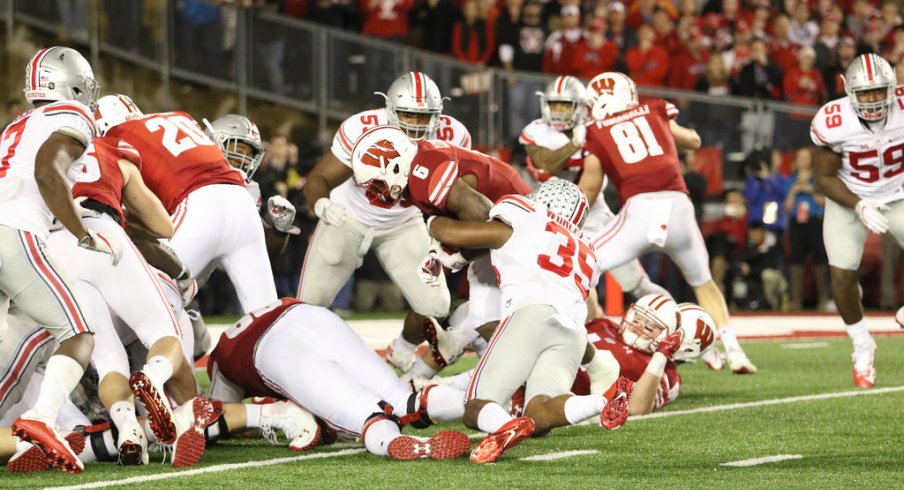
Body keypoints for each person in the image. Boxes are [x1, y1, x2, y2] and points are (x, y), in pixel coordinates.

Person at [426, 179, 632, 463]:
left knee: (476, 407)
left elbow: (457, 233)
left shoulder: (526, 214)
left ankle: (504, 426)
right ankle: (603, 401)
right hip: (572, 332)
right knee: (540, 411)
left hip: (530, 314)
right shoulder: (588, 249)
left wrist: (430, 220)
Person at [582, 71, 757, 374]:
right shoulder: (655, 109)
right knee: (703, 283)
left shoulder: (595, 130)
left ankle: (573, 344)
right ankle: (734, 350)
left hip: (641, 208)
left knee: (577, 264)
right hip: (678, 206)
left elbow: (589, 188)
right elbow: (694, 140)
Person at [0, 46, 121, 474]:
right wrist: (83, 233)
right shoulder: (73, 115)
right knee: (78, 334)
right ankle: (41, 418)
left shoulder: (17, 124)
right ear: (68, 83)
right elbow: (48, 172)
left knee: (10, 346)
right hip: (14, 232)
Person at [301, 72, 469, 372]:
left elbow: (458, 189)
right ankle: (298, 366)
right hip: (348, 216)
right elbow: (320, 177)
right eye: (408, 114)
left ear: (438, 115)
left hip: (404, 222)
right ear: (390, 109)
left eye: (424, 117)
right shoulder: (362, 128)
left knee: (436, 306)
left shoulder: (453, 134)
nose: (416, 125)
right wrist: (321, 204)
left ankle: (402, 349)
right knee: (308, 304)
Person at [350, 124, 531, 379]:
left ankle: (521, 381)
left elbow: (485, 220)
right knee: (473, 314)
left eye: (376, 184)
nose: (374, 193)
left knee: (487, 317)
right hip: (504, 216)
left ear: (396, 166)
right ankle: (425, 365)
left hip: (511, 219)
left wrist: (458, 255)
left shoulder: (425, 175)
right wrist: (443, 251)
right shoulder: (416, 169)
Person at [208, 298, 470, 460]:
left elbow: (222, 416)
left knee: (368, 416)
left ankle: (396, 443)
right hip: (311, 315)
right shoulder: (245, 326)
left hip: (271, 349)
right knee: (404, 401)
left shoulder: (221, 360)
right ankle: (484, 408)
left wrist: (256, 422)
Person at [518, 76, 669, 309]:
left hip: (594, 216)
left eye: (565, 105)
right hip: (549, 220)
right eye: (554, 105)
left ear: (580, 106)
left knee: (636, 284)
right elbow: (545, 163)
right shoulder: (537, 131)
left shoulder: (596, 131)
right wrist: (574, 145)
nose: (559, 111)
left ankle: (678, 322)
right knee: (560, 287)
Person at [810, 54, 904, 388]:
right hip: (850, 197)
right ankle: (863, 344)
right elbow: (823, 177)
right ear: (848, 91)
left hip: (898, 193)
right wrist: (860, 204)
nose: (872, 100)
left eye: (878, 91)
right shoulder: (833, 120)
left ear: (892, 88)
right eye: (864, 93)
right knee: (842, 273)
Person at [784, 148, 829, 310]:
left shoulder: (819, 180)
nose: (802, 161)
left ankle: (823, 299)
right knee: (796, 259)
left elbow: (824, 202)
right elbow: (787, 207)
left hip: (815, 221)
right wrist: (794, 191)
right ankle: (796, 300)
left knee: (820, 258)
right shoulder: (790, 181)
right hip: (797, 222)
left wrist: (812, 191)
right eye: (800, 158)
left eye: (806, 158)